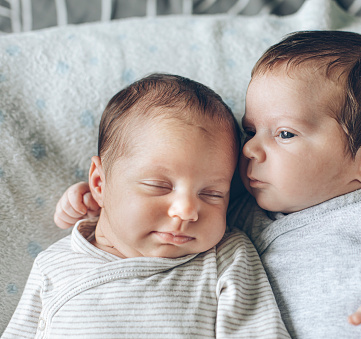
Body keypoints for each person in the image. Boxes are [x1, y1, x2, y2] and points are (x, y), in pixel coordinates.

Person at [52, 31, 361, 339]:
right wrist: (104, 199)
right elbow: (179, 203)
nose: (250, 150)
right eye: (251, 131)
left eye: (284, 134)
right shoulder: (242, 214)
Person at [2, 74, 290, 339]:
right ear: (100, 184)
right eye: (159, 187)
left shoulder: (225, 257)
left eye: (213, 194)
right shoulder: (55, 264)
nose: (186, 210)